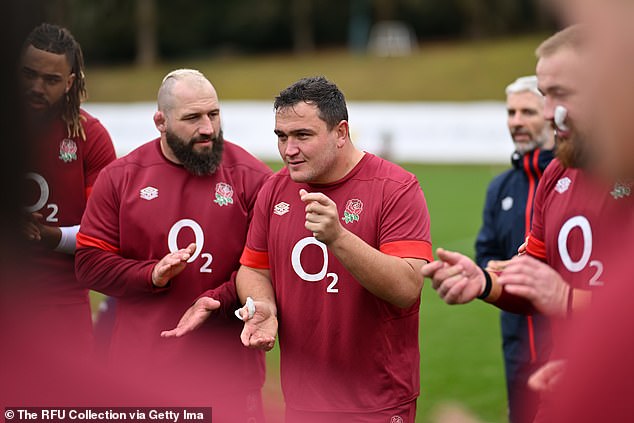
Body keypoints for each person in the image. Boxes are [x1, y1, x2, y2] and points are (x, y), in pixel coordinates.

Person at [164, 76, 433, 423]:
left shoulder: (396, 188)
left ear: (340, 133)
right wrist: (261, 305)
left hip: (377, 401)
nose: (289, 149)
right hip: (301, 399)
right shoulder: (275, 189)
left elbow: (407, 288)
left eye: (302, 135)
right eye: (281, 136)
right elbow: (254, 269)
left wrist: (338, 236)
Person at [423, 25, 634, 421]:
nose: (550, 112)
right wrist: (485, 283)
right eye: (544, 94)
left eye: (563, 94)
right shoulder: (555, 177)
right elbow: (536, 281)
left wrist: (568, 299)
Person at [75, 69, 271, 421]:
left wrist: (220, 297)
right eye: (193, 118)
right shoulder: (120, 178)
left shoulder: (253, 178)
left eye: (213, 114)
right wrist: (151, 275)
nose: (208, 128)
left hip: (228, 376)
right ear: (160, 121)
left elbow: (268, 266)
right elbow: (88, 263)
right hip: (142, 375)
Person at [20, 23, 116, 356]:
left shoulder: (90, 137)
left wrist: (50, 237)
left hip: (63, 303)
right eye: (28, 74)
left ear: (70, 83)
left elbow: (103, 234)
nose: (36, 87)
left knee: (63, 407)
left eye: (50, 80)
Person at [475, 75, 554, 423]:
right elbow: (484, 253)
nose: (516, 122)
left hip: (573, 338)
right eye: (511, 113)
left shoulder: (580, 179)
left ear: (550, 114)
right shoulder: (500, 187)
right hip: (518, 344)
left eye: (527, 112)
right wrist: (499, 268)